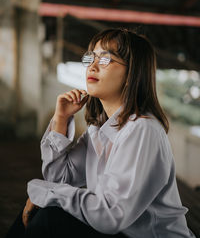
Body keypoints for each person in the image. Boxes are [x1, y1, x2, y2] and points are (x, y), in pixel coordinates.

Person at [6, 28, 196, 238]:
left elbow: (112, 215)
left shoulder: (143, 130)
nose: (93, 66)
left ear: (130, 74)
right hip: (121, 233)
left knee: (49, 217)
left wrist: (47, 194)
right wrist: (61, 119)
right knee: (41, 211)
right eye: (91, 58)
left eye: (105, 60)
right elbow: (59, 177)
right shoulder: (100, 130)